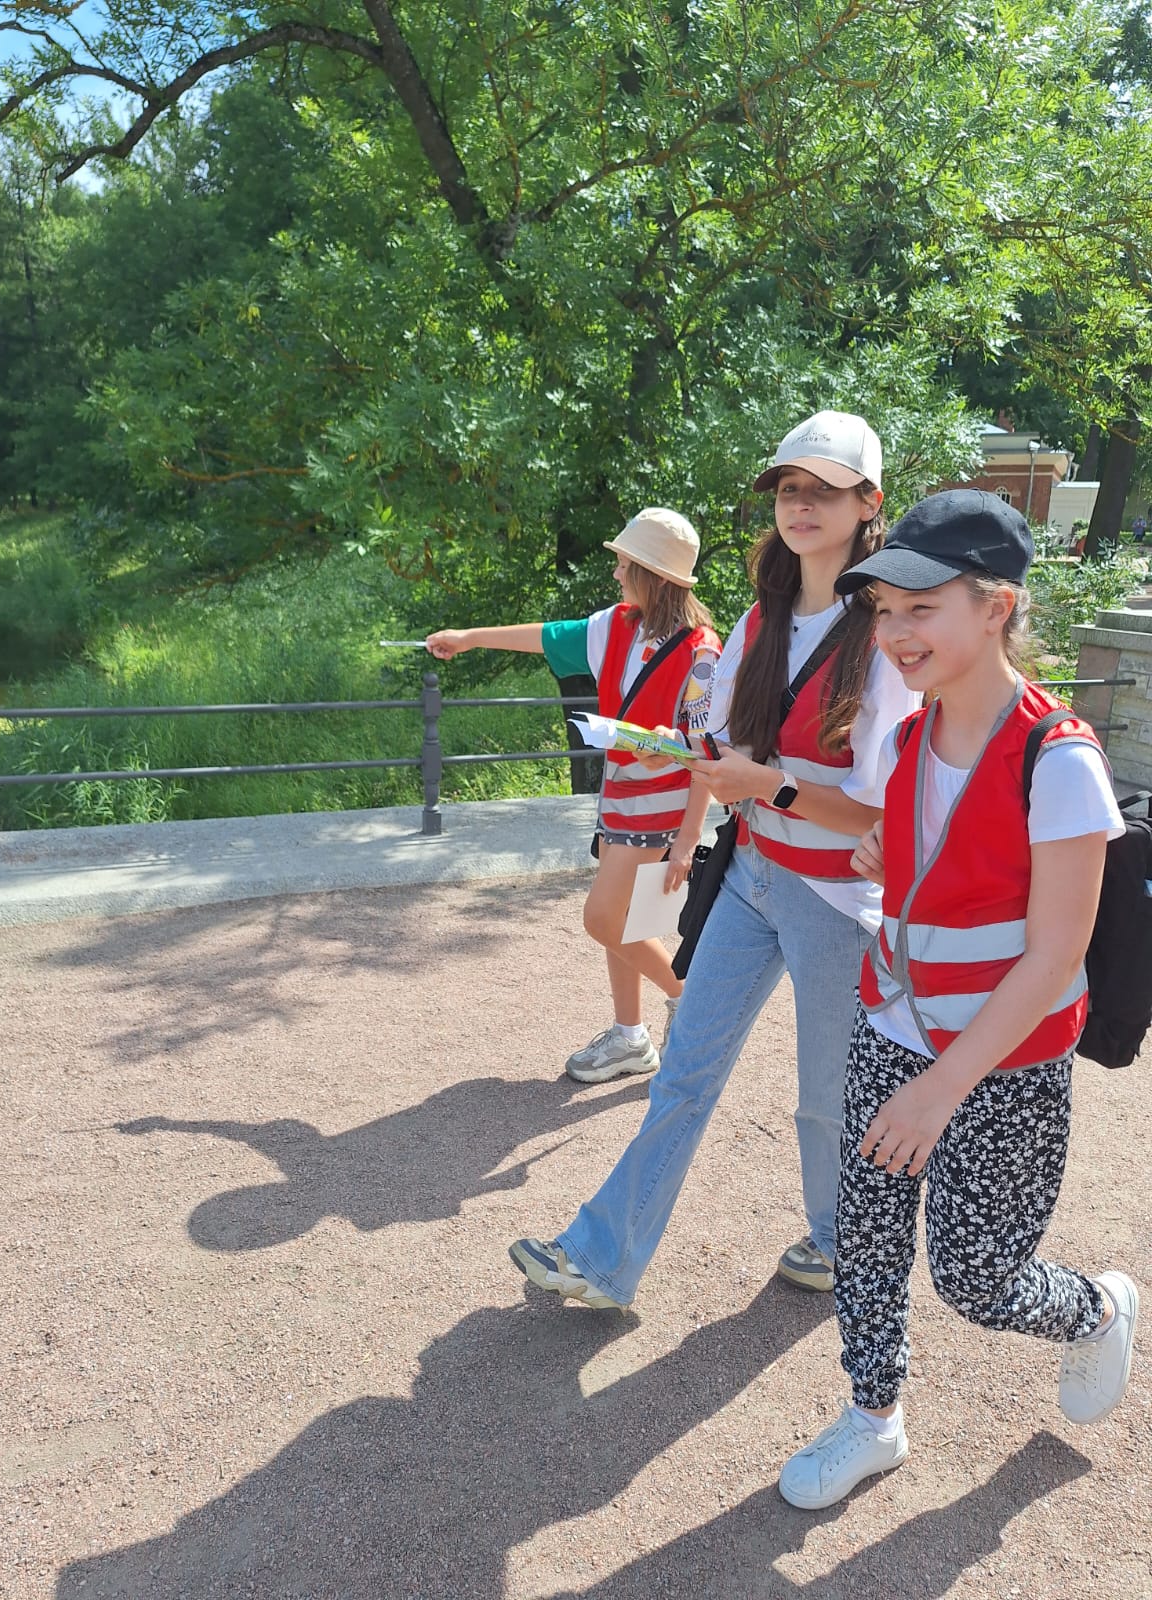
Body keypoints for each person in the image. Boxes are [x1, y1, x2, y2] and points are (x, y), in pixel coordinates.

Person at [777, 489, 1138, 1511]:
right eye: (883, 612)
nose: (893, 633)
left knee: (977, 1280)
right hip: (893, 1020)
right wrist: (888, 849)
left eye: (919, 609)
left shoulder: (1060, 759)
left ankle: (1095, 1311)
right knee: (869, 1229)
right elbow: (925, 867)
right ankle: (873, 1415)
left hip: (999, 1064)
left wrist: (939, 1089)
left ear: (996, 607)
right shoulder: (905, 740)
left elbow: (1052, 955)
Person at [508, 410, 920, 1306]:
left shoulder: (886, 635)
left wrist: (762, 783)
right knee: (685, 1073)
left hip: (834, 898)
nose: (800, 504)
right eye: (788, 488)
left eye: (822, 488)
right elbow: (718, 738)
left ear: (867, 503)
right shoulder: (759, 617)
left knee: (823, 1100)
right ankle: (603, 1259)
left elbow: (880, 812)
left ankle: (837, 1238)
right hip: (752, 876)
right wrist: (686, 759)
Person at [426, 509, 720, 1082]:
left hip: (660, 809)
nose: (615, 573)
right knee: (626, 924)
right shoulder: (615, 625)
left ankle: (691, 1001)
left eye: (624, 563)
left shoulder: (702, 653)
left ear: (652, 574)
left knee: (603, 919)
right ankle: (630, 1037)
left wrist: (687, 839)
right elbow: (542, 637)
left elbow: (707, 749)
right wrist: (467, 641)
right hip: (618, 801)